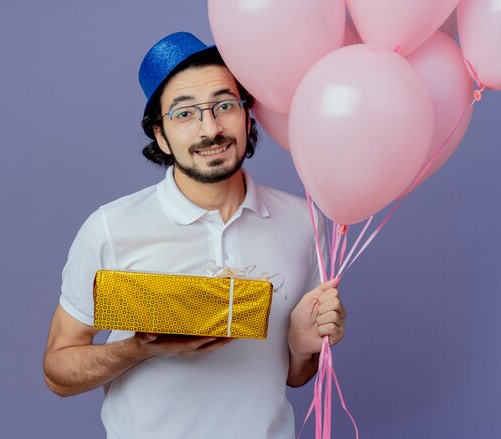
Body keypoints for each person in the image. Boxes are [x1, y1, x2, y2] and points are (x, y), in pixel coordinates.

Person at [43, 32, 347, 439]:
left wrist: (301, 346)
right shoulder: (110, 228)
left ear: (248, 115)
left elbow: (295, 378)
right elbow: (58, 372)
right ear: (160, 135)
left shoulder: (303, 221)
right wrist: (139, 348)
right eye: (185, 114)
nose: (211, 128)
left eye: (224, 105)